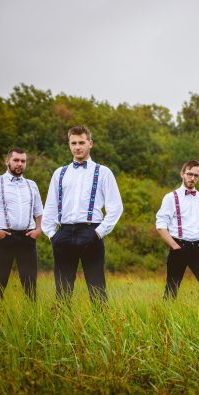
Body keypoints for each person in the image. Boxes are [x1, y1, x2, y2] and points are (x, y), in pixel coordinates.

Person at [42, 125, 123, 303]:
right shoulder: (60, 173)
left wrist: (98, 233)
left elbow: (116, 207)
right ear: (69, 145)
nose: (77, 147)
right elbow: (50, 207)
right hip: (63, 233)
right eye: (73, 143)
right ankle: (61, 321)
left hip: (90, 232)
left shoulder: (103, 172)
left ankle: (101, 322)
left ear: (90, 143)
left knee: (97, 290)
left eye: (81, 142)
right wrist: (52, 235)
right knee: (62, 291)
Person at [0, 147, 43, 300]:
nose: (19, 164)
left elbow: (39, 211)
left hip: (28, 238)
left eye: (23, 161)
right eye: (16, 160)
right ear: (7, 161)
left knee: (30, 285)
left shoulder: (31, 185)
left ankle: (31, 313)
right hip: (5, 237)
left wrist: (38, 229)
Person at [156, 160, 199, 299]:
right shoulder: (171, 197)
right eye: (189, 174)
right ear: (182, 174)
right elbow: (161, 225)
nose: (192, 178)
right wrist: (175, 246)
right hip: (178, 246)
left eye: (196, 175)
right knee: (171, 290)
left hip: (198, 248)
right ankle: (166, 313)